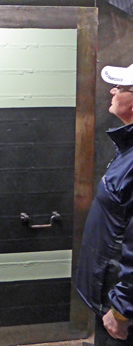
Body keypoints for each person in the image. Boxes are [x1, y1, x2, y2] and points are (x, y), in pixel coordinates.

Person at [76, 62, 133, 345]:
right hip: (110, 295)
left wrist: (123, 310)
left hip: (121, 307)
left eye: (121, 87)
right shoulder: (128, 150)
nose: (112, 91)